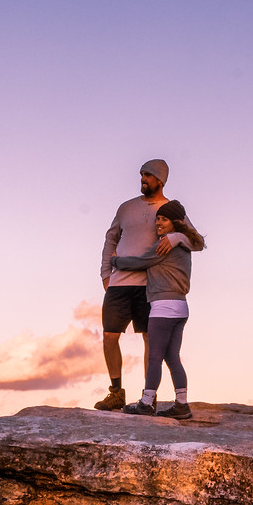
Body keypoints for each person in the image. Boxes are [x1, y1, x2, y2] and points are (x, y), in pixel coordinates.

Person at [111, 199, 204, 418]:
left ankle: (146, 403)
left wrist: (116, 261)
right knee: (172, 357)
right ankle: (182, 404)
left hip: (163, 307)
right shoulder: (183, 245)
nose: (158, 223)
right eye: (157, 219)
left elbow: (140, 262)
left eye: (163, 219)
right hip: (181, 306)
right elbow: (197, 242)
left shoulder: (164, 246)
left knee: (154, 356)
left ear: (175, 222)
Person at [95, 159, 175, 411]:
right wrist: (105, 273)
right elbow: (111, 239)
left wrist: (175, 238)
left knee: (151, 339)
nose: (143, 178)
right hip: (119, 283)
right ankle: (116, 392)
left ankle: (147, 398)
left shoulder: (171, 208)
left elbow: (194, 239)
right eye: (141, 174)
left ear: (160, 179)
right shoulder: (126, 207)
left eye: (148, 175)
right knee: (109, 336)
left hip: (150, 285)